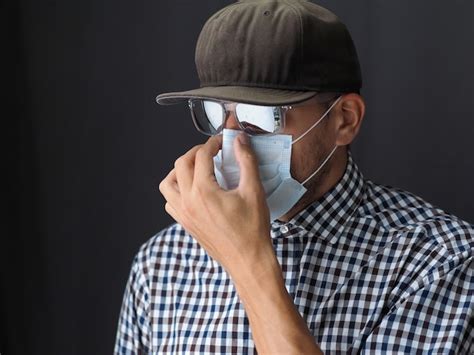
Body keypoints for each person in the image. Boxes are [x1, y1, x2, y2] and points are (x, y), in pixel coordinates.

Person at [114, 0, 474, 353]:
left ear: (345, 119)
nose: (230, 139)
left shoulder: (438, 261)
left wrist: (247, 260)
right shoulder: (161, 262)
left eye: (260, 115)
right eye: (215, 112)